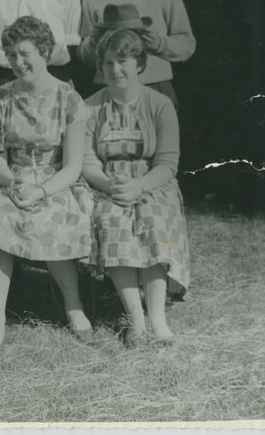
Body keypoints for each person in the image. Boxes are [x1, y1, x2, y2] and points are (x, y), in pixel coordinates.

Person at [0, 16, 93, 348]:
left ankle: (73, 305)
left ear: (44, 51)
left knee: (56, 214)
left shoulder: (69, 98)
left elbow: (73, 166)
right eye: (11, 56)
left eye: (24, 54)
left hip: (55, 180)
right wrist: (13, 183)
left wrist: (41, 190)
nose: (18, 63)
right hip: (12, 178)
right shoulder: (1, 97)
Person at [82, 28, 190, 345]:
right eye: (108, 63)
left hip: (152, 180)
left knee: (154, 218)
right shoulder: (89, 107)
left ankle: (157, 318)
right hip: (108, 183)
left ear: (139, 64)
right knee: (111, 221)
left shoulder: (160, 104)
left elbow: (168, 163)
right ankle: (135, 319)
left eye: (123, 61)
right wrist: (110, 185)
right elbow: (87, 161)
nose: (115, 70)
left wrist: (139, 186)